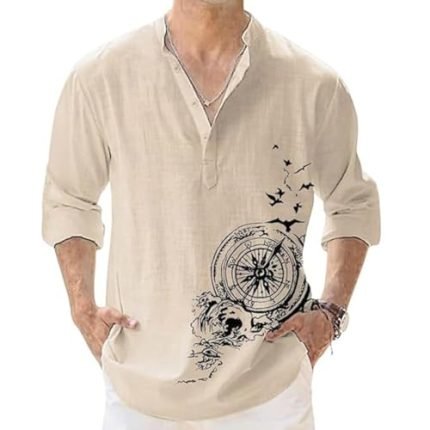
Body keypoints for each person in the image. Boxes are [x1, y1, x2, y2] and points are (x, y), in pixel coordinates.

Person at [41, 1, 381, 429]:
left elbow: (352, 204)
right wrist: (82, 307)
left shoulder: (314, 84)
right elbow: (69, 198)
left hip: (271, 396)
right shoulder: (100, 78)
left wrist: (330, 313)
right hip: (138, 394)